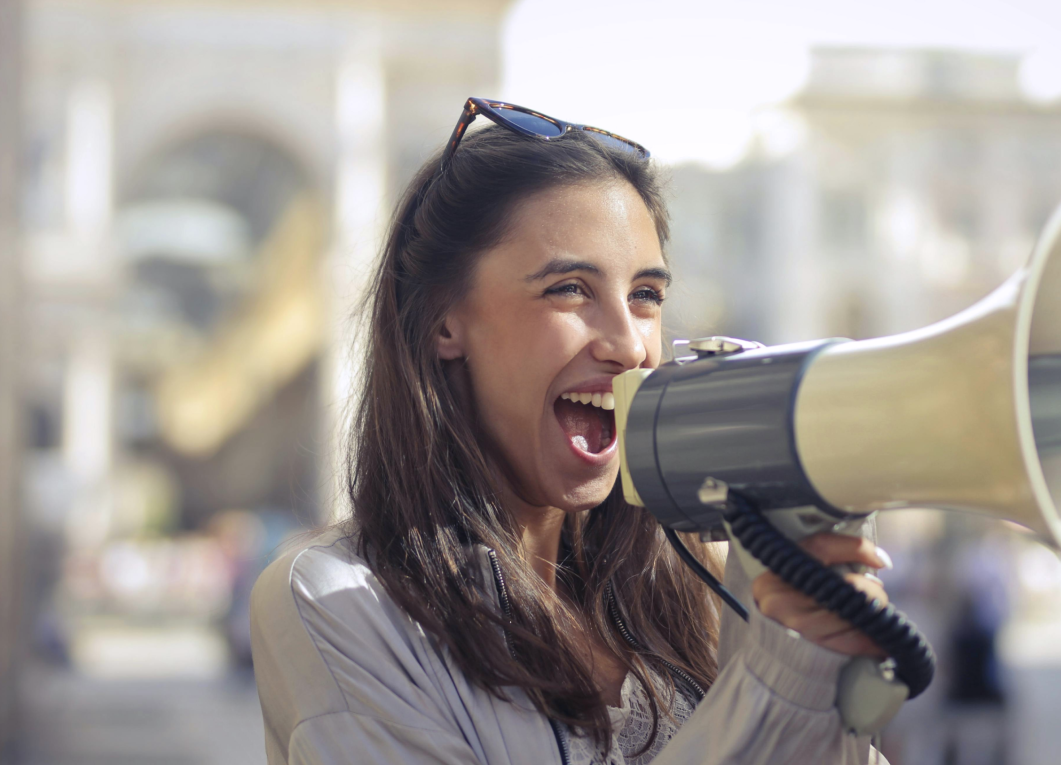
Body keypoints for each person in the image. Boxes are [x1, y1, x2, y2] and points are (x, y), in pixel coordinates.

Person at [249, 99, 894, 765]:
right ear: (445, 321)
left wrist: (826, 689)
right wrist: (772, 688)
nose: (628, 344)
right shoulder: (336, 603)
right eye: (569, 289)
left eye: (645, 296)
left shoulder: (710, 585)